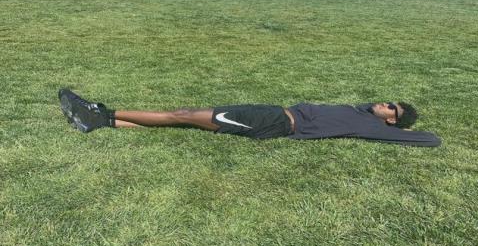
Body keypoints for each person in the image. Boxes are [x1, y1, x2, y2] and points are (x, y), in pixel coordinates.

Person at [58, 89, 441, 147]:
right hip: (271, 111)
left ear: (392, 121)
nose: (385, 105)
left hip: (274, 124)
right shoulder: (358, 110)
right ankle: (100, 121)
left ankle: (100, 112)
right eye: (389, 102)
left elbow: (426, 138)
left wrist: (410, 129)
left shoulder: (370, 125)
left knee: (184, 115)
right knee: (184, 119)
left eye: (392, 109)